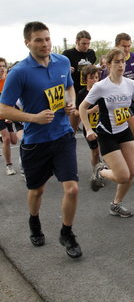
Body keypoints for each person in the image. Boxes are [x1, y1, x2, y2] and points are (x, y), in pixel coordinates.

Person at [0, 21, 82, 258]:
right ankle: (34, 221)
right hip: (36, 141)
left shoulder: (63, 62)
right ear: (28, 43)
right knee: (37, 191)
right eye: (38, 40)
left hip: (63, 135)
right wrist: (33, 118)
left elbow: (69, 87)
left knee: (73, 188)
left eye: (47, 39)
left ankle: (67, 233)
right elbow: (4, 109)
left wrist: (70, 103)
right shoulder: (19, 72)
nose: (45, 44)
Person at [79, 48, 134, 218]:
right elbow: (82, 108)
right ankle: (100, 171)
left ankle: (116, 204)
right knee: (123, 176)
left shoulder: (131, 84)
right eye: (116, 62)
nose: (121, 65)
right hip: (106, 133)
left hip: (123, 131)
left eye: (123, 61)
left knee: (131, 173)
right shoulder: (101, 86)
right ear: (108, 65)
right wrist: (88, 129)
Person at [62, 30, 96, 132]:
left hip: (88, 90)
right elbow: (60, 72)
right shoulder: (67, 54)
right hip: (74, 91)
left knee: (93, 124)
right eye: (83, 43)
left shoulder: (91, 53)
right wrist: (67, 70)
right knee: (74, 124)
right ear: (77, 42)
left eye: (88, 43)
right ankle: (70, 140)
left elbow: (92, 70)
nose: (86, 46)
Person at [74, 65, 101, 173]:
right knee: (95, 152)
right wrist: (91, 111)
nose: (94, 80)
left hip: (104, 125)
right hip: (89, 126)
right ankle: (96, 173)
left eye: (96, 77)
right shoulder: (82, 93)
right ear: (85, 80)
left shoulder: (102, 91)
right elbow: (76, 112)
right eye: (91, 78)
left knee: (108, 150)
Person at [0, 58, 19, 175]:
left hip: (8, 113)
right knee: (6, 138)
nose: (1, 69)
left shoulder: (9, 80)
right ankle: (9, 166)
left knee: (14, 141)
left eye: (3, 66)